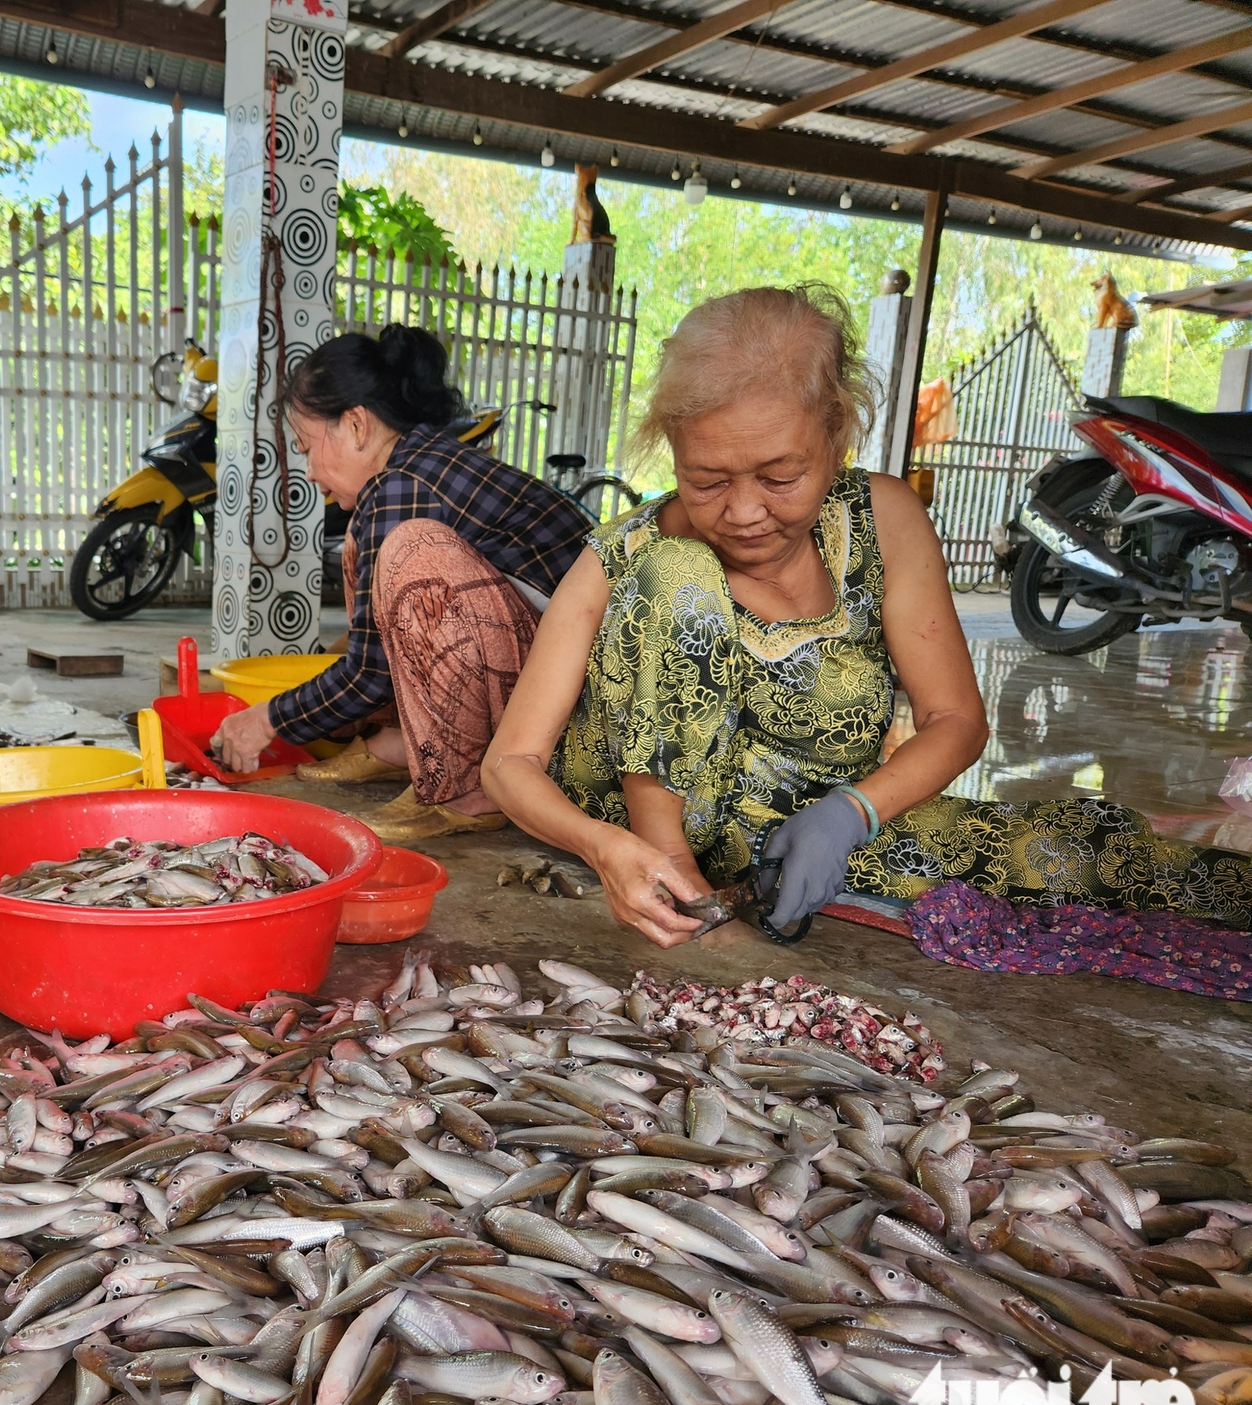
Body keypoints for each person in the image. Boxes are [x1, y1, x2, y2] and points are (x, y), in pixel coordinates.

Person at [482, 284, 1252, 946]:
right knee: (675, 572)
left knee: (1076, 857)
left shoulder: (883, 521)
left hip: (803, 830)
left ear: (837, 435)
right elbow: (510, 764)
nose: (744, 512)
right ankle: (680, 887)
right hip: (640, 827)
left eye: (781, 476)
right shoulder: (625, 552)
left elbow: (956, 717)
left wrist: (853, 813)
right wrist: (608, 851)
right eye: (706, 480)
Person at [210, 324, 591, 842]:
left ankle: (467, 788)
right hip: (545, 661)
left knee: (411, 552)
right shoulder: (413, 463)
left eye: (306, 446)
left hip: (579, 703)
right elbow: (380, 656)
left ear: (356, 425)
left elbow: (371, 674)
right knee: (363, 547)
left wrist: (267, 720)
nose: (309, 468)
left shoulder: (403, 485)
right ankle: (400, 742)